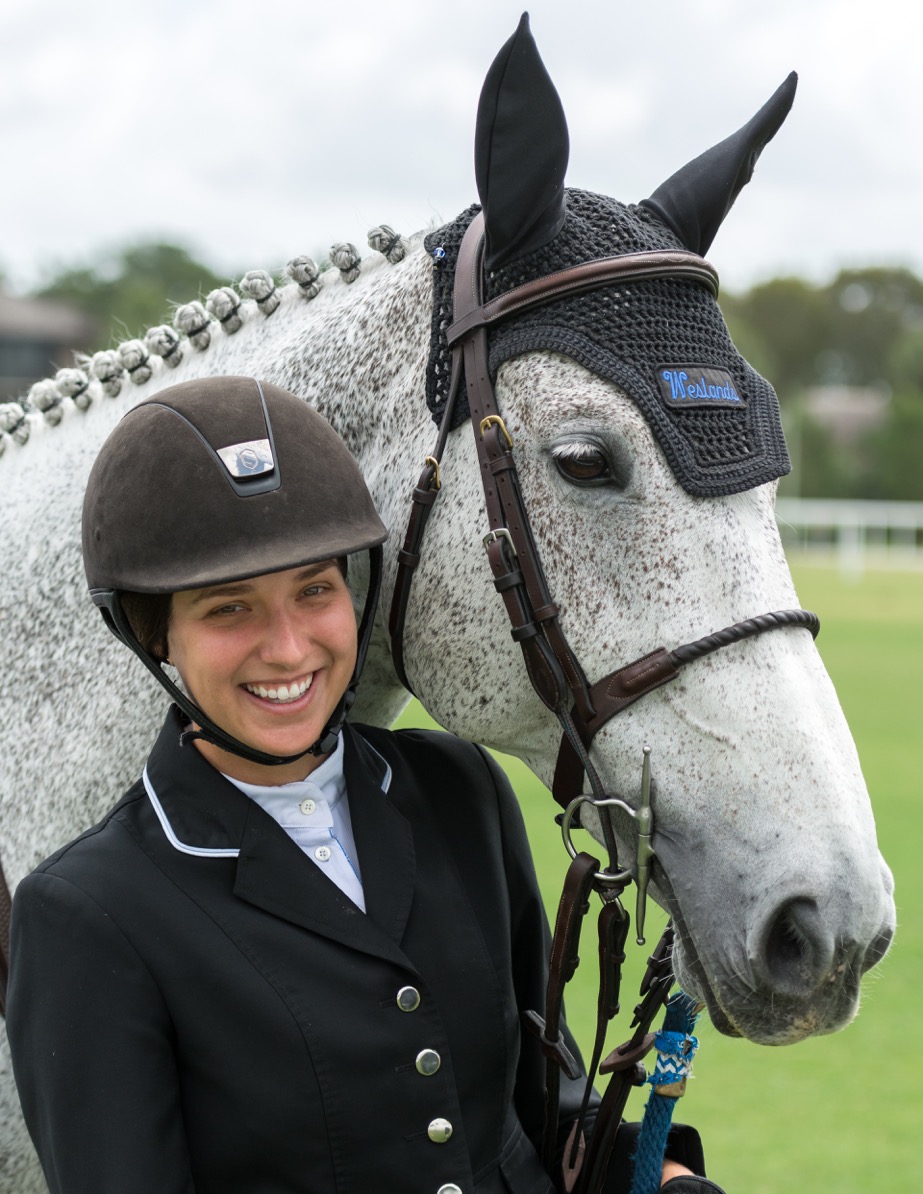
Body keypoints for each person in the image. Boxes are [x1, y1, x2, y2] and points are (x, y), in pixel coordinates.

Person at [7, 377, 722, 1193]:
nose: (288, 648)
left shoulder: (460, 790)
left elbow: (542, 1115)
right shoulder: (86, 913)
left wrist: (657, 1173)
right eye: (229, 609)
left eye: (315, 590)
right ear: (155, 633)